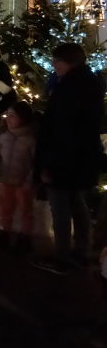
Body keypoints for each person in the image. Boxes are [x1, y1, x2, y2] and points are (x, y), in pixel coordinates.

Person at [33, 42, 105, 275]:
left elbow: (62, 130)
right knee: (77, 203)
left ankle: (62, 255)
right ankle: (81, 251)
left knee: (60, 207)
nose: (54, 66)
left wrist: (49, 164)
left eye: (57, 62)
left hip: (64, 158)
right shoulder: (89, 84)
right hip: (82, 157)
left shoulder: (69, 89)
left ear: (69, 62)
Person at [0, 102, 36, 255]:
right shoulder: (4, 137)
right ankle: (3, 234)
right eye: (7, 116)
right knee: (4, 209)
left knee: (25, 211)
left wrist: (29, 181)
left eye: (12, 116)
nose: (8, 119)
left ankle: (25, 239)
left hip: (23, 183)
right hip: (5, 180)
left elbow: (36, 162)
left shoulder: (31, 139)